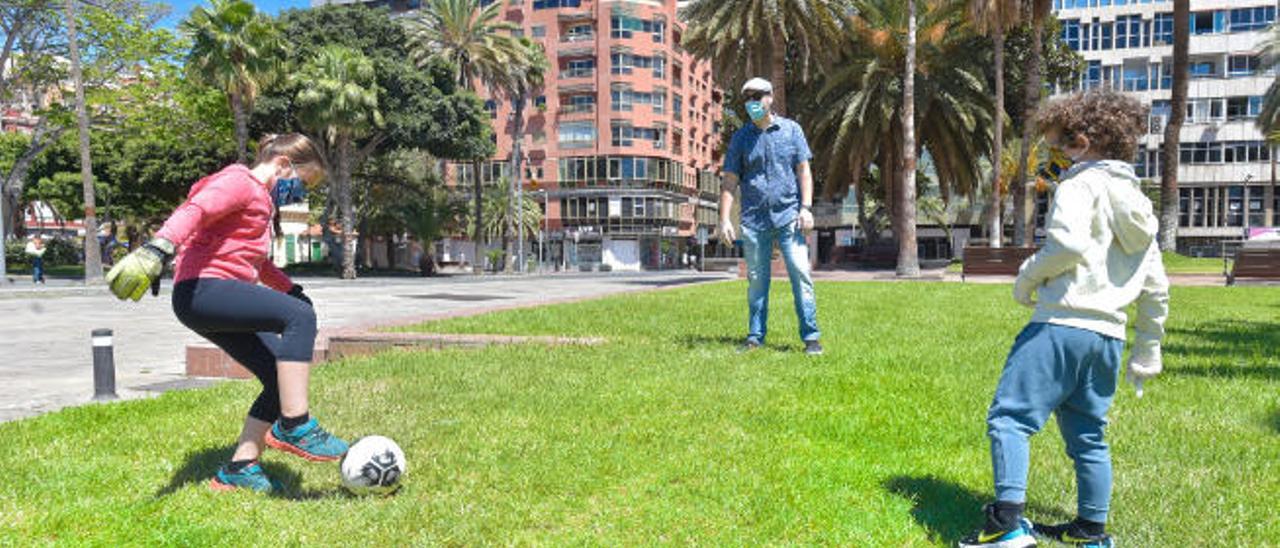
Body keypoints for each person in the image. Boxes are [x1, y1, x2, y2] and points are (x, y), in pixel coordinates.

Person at [960, 89, 1169, 548]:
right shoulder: (1138, 202)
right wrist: (1146, 350)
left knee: (1010, 418)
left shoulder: (1078, 185)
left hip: (1060, 325)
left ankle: (1006, 525)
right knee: (1089, 435)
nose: (1054, 155)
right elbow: (1156, 287)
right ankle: (1091, 532)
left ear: (1081, 141)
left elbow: (1068, 246)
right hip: (1107, 338)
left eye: (1057, 144)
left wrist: (1026, 279)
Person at [106, 133, 348, 493]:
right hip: (204, 290)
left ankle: (239, 468)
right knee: (299, 318)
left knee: (275, 376)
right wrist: (158, 249)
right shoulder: (240, 181)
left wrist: (292, 290)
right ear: (283, 165)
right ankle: (296, 425)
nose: (300, 195)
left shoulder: (261, 202)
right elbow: (196, 209)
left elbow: (258, 262)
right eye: (302, 184)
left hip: (210, 297)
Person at [719, 77, 822, 355]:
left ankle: (811, 338)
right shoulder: (740, 138)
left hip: (790, 217)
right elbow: (730, 181)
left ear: (770, 97)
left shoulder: (791, 131)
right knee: (756, 281)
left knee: (801, 275)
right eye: (748, 98)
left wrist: (806, 207)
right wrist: (725, 218)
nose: (753, 102)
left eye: (757, 96)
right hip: (753, 222)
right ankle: (755, 337)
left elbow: (804, 171)